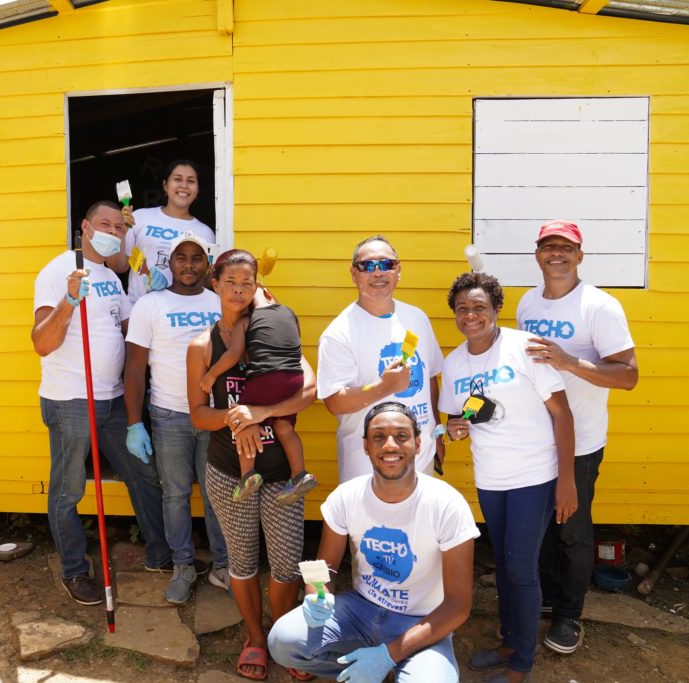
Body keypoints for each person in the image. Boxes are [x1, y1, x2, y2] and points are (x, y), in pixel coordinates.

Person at [268, 401, 479, 683]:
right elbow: (325, 565)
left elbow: (458, 606)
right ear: (366, 446)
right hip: (360, 610)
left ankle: (388, 662)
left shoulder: (447, 505)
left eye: (401, 436)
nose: (390, 445)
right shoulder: (347, 496)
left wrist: (387, 655)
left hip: (421, 620)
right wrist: (316, 593)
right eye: (379, 437)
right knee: (283, 641)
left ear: (418, 444)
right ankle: (361, 669)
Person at [439, 272, 577, 683]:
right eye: (462, 308)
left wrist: (566, 481)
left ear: (497, 309)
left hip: (534, 474)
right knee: (503, 563)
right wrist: (455, 428)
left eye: (479, 306)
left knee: (521, 567)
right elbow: (454, 417)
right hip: (491, 477)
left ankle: (522, 664)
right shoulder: (454, 362)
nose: (470, 315)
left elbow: (563, 415)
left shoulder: (525, 348)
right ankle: (510, 641)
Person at [187, 249, 316, 681]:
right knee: (242, 563)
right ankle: (256, 638)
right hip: (229, 471)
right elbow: (197, 415)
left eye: (247, 281)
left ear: (257, 283)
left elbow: (309, 391)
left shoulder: (275, 325)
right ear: (214, 284)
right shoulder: (202, 345)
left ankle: (285, 638)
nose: (239, 289)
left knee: (285, 564)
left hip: (280, 472)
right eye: (230, 282)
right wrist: (232, 417)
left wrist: (258, 413)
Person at [31, 200, 169, 605]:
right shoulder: (60, 271)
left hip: (111, 398)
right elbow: (41, 342)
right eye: (104, 224)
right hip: (72, 397)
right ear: (86, 228)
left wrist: (160, 295)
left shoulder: (111, 275)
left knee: (143, 475)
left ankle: (160, 555)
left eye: (119, 226)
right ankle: (74, 571)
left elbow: (131, 330)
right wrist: (69, 302)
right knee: (67, 489)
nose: (113, 231)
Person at [516, 220, 639, 655]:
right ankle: (547, 599)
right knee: (544, 527)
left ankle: (569, 616)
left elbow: (628, 376)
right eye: (549, 246)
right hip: (536, 439)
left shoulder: (600, 306)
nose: (557, 254)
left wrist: (571, 363)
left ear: (580, 256)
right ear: (537, 255)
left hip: (582, 439)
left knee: (573, 527)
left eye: (566, 248)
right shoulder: (527, 304)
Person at [124, 234, 228, 604]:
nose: (188, 264)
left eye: (196, 257)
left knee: (218, 496)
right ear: (170, 263)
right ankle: (183, 565)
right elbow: (135, 369)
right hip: (169, 416)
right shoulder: (151, 304)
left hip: (215, 415)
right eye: (180, 257)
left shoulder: (221, 302)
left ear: (207, 263)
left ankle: (222, 565)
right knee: (176, 495)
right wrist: (135, 422)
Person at [317, 235, 445, 482]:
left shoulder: (417, 318)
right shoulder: (339, 333)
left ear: (398, 270)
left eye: (386, 264)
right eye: (367, 266)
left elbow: (429, 377)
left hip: (422, 457)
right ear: (353, 273)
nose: (378, 273)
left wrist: (437, 433)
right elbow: (334, 402)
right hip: (368, 466)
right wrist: (384, 387)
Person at [199, 284, 317, 504]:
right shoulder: (290, 314)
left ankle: (248, 475)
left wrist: (212, 374)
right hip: (293, 378)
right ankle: (300, 474)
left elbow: (234, 355)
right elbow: (294, 346)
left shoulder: (245, 322)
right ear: (271, 295)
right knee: (284, 426)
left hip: (265, 378)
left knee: (244, 418)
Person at [117, 159, 216, 303]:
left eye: (191, 181)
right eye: (177, 179)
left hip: (182, 312)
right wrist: (121, 233)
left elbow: (206, 282)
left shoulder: (205, 233)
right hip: (139, 309)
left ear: (198, 189)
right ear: (165, 185)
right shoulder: (139, 217)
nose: (184, 185)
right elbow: (119, 266)